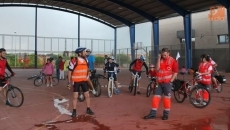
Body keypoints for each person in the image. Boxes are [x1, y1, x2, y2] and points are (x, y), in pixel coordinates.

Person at [144, 48, 178, 120]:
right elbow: (157, 68)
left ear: (168, 53)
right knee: (155, 98)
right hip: (159, 83)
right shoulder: (160, 59)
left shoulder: (173, 61)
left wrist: (171, 81)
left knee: (166, 99)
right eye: (163, 55)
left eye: (165, 55)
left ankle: (166, 114)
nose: (164, 56)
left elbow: (175, 72)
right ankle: (152, 114)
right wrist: (159, 58)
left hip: (167, 83)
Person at [67, 47, 94, 117]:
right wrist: (68, 82)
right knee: (75, 96)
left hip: (84, 80)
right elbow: (69, 72)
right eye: (84, 52)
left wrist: (89, 72)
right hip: (76, 81)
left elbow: (87, 68)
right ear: (80, 53)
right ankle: (74, 111)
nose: (85, 53)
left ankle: (88, 109)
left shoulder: (86, 60)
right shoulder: (73, 61)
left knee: (87, 95)